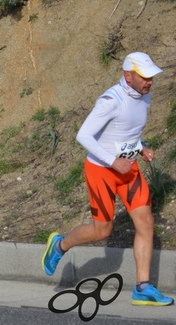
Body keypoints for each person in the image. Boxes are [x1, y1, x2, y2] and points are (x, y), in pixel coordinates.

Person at [42, 52, 173, 306]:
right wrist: (113, 161)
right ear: (128, 76)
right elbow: (84, 136)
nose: (150, 82)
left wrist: (141, 147)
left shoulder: (144, 95)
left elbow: (126, 131)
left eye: (151, 77)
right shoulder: (111, 100)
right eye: (145, 77)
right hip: (101, 171)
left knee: (146, 221)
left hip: (128, 169)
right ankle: (60, 245)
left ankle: (143, 287)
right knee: (102, 230)